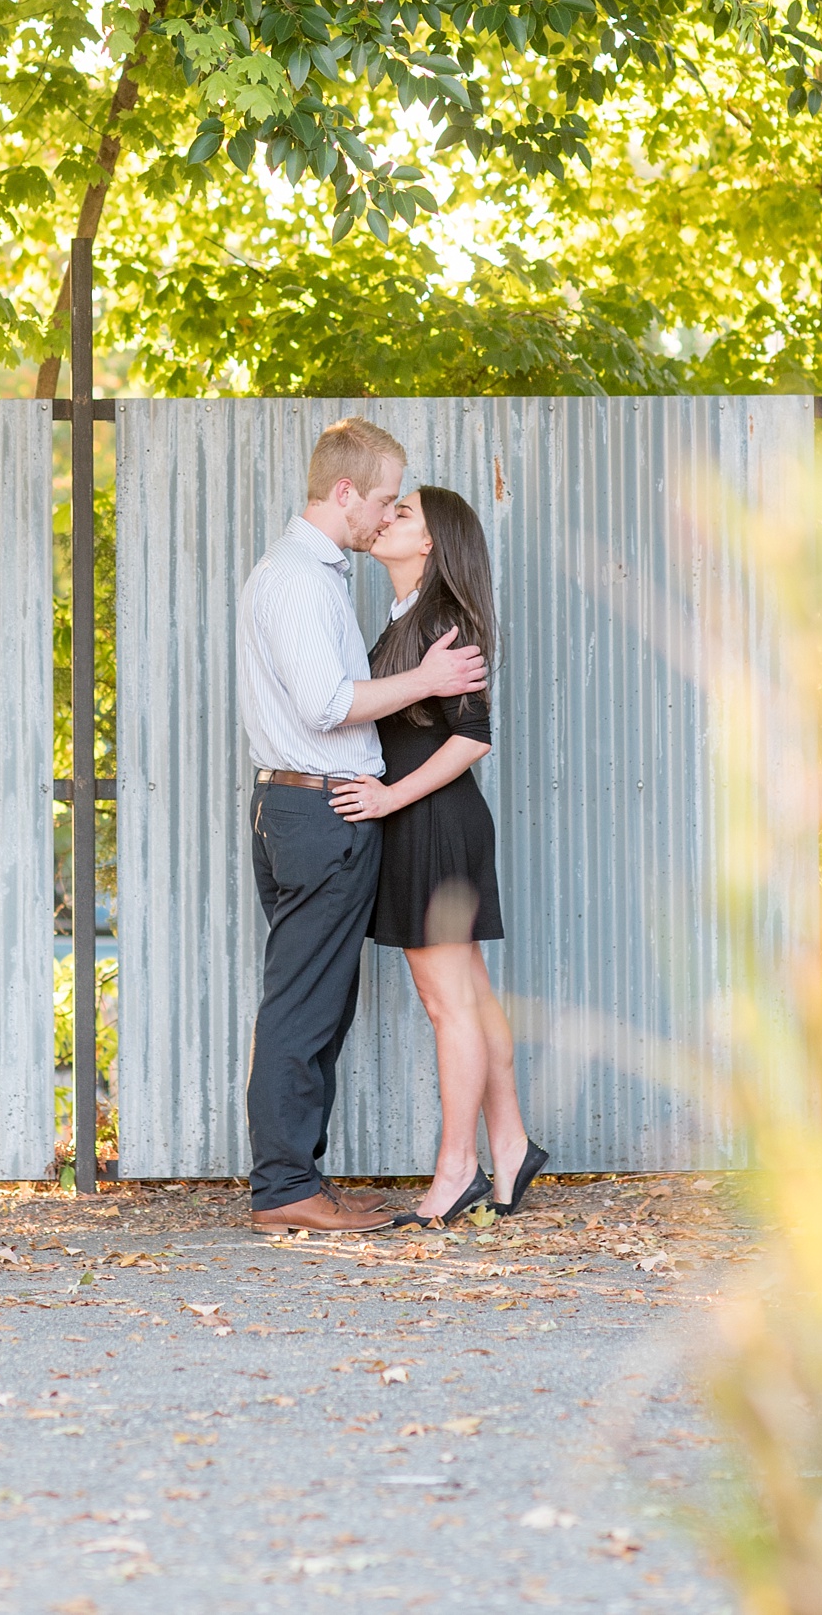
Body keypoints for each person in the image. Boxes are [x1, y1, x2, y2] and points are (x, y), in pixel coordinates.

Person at [240, 419, 490, 1235]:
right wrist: (426, 677)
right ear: (345, 491)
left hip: (318, 806)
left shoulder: (316, 577)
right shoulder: (299, 581)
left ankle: (298, 1178)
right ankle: (285, 1186)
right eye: (384, 499)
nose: (385, 515)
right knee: (305, 1004)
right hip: (319, 808)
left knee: (316, 1000)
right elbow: (327, 703)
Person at [330, 487, 548, 1225]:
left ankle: (458, 1171)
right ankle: (510, 1144)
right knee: (472, 997)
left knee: (446, 1003)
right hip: (431, 823)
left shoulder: (442, 620)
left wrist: (390, 799)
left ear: (430, 542)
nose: (386, 515)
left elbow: (472, 736)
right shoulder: (404, 619)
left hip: (433, 822)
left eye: (405, 513)